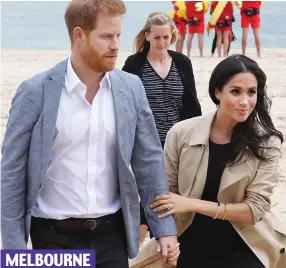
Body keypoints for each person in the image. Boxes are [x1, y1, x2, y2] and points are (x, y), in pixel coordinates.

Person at [0, 0, 180, 267]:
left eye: (118, 35)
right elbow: (11, 173)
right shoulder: (35, 92)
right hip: (53, 237)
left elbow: (149, 162)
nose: (116, 45)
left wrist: (164, 228)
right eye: (106, 36)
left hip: (112, 235)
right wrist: (14, 251)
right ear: (79, 35)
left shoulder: (130, 88)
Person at [150, 55, 286, 267]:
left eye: (252, 92)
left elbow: (254, 210)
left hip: (244, 245)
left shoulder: (267, 142)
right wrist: (165, 236)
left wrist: (192, 203)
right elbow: (165, 195)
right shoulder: (181, 133)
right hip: (186, 242)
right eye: (235, 91)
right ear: (217, 92)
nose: (245, 101)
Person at [122, 11, 202, 247]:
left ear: (172, 37)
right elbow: (126, 104)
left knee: (169, 193)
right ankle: (138, 247)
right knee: (149, 191)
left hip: (178, 142)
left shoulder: (182, 63)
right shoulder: (134, 64)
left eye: (166, 37)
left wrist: (197, 136)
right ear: (147, 36)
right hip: (145, 142)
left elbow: (191, 102)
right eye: (156, 37)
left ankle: (161, 243)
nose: (162, 42)